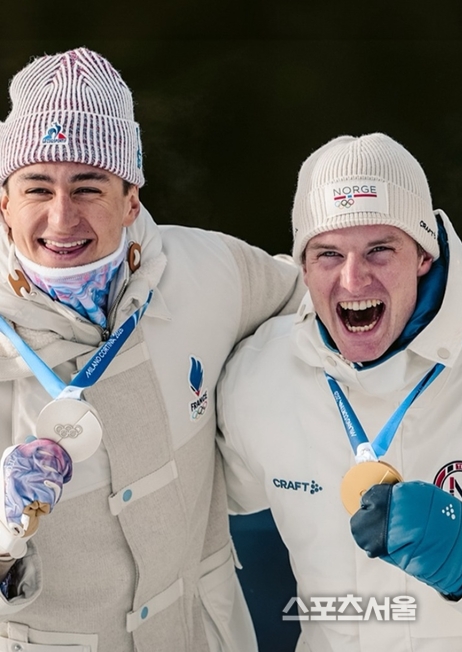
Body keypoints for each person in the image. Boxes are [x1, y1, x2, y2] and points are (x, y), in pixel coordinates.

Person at [216, 133, 462, 651]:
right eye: (328, 253)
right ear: (303, 265)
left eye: (380, 250)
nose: (353, 279)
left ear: (424, 255)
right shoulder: (258, 376)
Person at [0, 48, 305, 651]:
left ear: (131, 198)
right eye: (37, 188)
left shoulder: (207, 271)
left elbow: (334, 299)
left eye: (88, 186)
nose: (62, 217)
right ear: (4, 201)